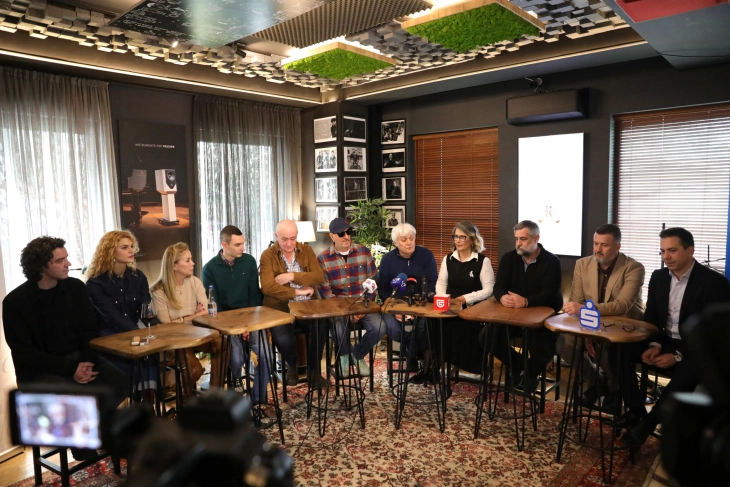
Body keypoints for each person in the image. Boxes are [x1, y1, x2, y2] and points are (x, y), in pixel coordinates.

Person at [2, 236, 128, 460]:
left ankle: (88, 432)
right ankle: (85, 440)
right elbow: (26, 354)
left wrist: (87, 361)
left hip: (80, 358)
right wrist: (72, 369)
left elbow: (90, 329)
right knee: (75, 395)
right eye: (60, 260)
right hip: (41, 369)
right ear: (41, 266)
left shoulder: (75, 287)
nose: (68, 264)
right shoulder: (15, 302)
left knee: (120, 381)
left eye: (66, 258)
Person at [614, 227, 730, 448]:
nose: (666, 256)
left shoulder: (714, 283)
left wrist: (677, 355)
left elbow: (713, 333)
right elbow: (652, 316)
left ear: (690, 250)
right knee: (618, 349)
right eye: (663, 251)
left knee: (694, 366)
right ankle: (636, 410)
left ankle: (648, 423)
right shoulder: (658, 277)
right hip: (663, 339)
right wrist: (654, 344)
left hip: (696, 347)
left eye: (672, 251)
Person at [557, 224, 645, 410]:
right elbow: (576, 301)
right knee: (564, 343)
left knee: (605, 347)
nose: (598, 249)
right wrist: (588, 332)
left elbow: (622, 305)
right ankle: (597, 383)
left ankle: (615, 390)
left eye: (604, 245)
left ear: (617, 246)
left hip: (624, 324)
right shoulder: (582, 264)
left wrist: (585, 311)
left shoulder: (634, 268)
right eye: (595, 243)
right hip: (592, 322)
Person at [481, 220, 562, 394]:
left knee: (541, 342)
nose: (518, 243)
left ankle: (530, 374)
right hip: (513, 315)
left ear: (536, 238)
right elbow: (499, 286)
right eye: (516, 239)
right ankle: (520, 366)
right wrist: (502, 297)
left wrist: (525, 301)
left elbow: (550, 294)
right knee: (487, 336)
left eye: (523, 239)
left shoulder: (551, 261)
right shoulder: (509, 258)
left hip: (541, 315)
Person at [85, 230, 157, 400]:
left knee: (150, 354)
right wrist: (138, 334)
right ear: (110, 252)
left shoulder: (138, 276)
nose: (131, 251)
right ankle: (129, 404)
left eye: (131, 246)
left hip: (132, 334)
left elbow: (146, 310)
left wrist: (161, 330)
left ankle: (147, 407)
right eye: (124, 247)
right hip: (107, 337)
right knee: (134, 358)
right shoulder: (95, 282)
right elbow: (111, 316)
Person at [201, 226, 267, 404]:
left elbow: (254, 296)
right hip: (226, 323)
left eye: (243, 243)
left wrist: (248, 325)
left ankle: (258, 398)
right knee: (237, 359)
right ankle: (236, 382)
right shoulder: (209, 269)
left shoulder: (249, 261)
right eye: (238, 245)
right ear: (224, 245)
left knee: (266, 355)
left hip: (251, 319)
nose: (243, 248)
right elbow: (215, 306)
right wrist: (237, 329)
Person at [259, 219, 328, 389]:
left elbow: (318, 276)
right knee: (281, 334)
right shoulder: (267, 255)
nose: (289, 243)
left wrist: (291, 276)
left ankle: (313, 370)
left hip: (307, 307)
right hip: (281, 308)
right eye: (284, 239)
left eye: (293, 238)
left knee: (322, 323)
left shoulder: (306, 250)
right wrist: (298, 291)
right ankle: (292, 362)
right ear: (276, 236)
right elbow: (268, 288)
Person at [149, 242, 224, 391]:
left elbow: (206, 311)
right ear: (174, 265)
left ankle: (215, 393)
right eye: (188, 260)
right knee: (193, 370)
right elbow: (166, 324)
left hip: (196, 333)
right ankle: (187, 399)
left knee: (222, 343)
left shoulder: (194, 281)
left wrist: (181, 320)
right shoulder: (158, 290)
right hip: (174, 338)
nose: (193, 263)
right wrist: (193, 317)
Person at [317, 217, 382, 378]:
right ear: (332, 236)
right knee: (338, 327)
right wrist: (346, 311)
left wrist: (362, 307)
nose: (346, 237)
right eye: (341, 234)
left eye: (349, 232)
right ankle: (344, 357)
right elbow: (325, 290)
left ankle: (357, 354)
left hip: (363, 304)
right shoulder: (323, 259)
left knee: (380, 327)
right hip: (339, 308)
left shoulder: (364, 252)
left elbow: (373, 282)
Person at [378, 223, 438, 383]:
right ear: (395, 243)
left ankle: (411, 353)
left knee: (424, 326)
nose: (409, 242)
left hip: (422, 302)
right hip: (396, 304)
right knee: (391, 327)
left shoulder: (426, 255)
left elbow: (432, 281)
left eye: (411, 238)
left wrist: (421, 305)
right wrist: (395, 309)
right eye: (404, 240)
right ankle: (413, 349)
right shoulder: (387, 260)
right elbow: (383, 289)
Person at [438, 221, 495, 376]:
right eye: (455, 236)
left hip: (472, 308)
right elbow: (441, 284)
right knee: (433, 324)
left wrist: (465, 298)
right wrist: (443, 300)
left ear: (472, 239)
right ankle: (436, 365)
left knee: (462, 327)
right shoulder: (447, 259)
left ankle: (469, 367)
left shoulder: (482, 261)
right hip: (450, 306)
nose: (458, 240)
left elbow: (489, 290)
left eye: (462, 237)